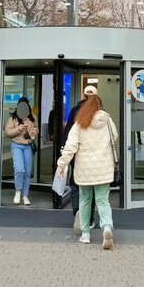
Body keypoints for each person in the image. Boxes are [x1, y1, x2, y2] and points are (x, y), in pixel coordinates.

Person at [56, 94, 118, 250]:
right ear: (99, 106)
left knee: (84, 200)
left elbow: (70, 146)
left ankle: (85, 235)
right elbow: (115, 137)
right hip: (103, 168)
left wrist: (62, 164)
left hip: (84, 169)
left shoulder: (80, 122)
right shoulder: (107, 120)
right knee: (103, 201)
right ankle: (107, 228)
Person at [64, 85, 99, 235]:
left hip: (78, 155)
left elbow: (68, 134)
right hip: (95, 158)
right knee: (92, 188)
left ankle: (77, 212)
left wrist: (65, 157)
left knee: (75, 186)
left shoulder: (74, 110)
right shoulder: (100, 113)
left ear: (83, 95)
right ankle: (89, 219)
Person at [4, 97, 38, 206]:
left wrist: (34, 132)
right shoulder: (13, 118)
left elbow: (35, 129)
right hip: (16, 145)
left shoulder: (32, 117)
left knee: (27, 172)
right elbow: (7, 132)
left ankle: (25, 195)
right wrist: (19, 128)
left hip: (28, 146)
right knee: (19, 169)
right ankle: (18, 191)